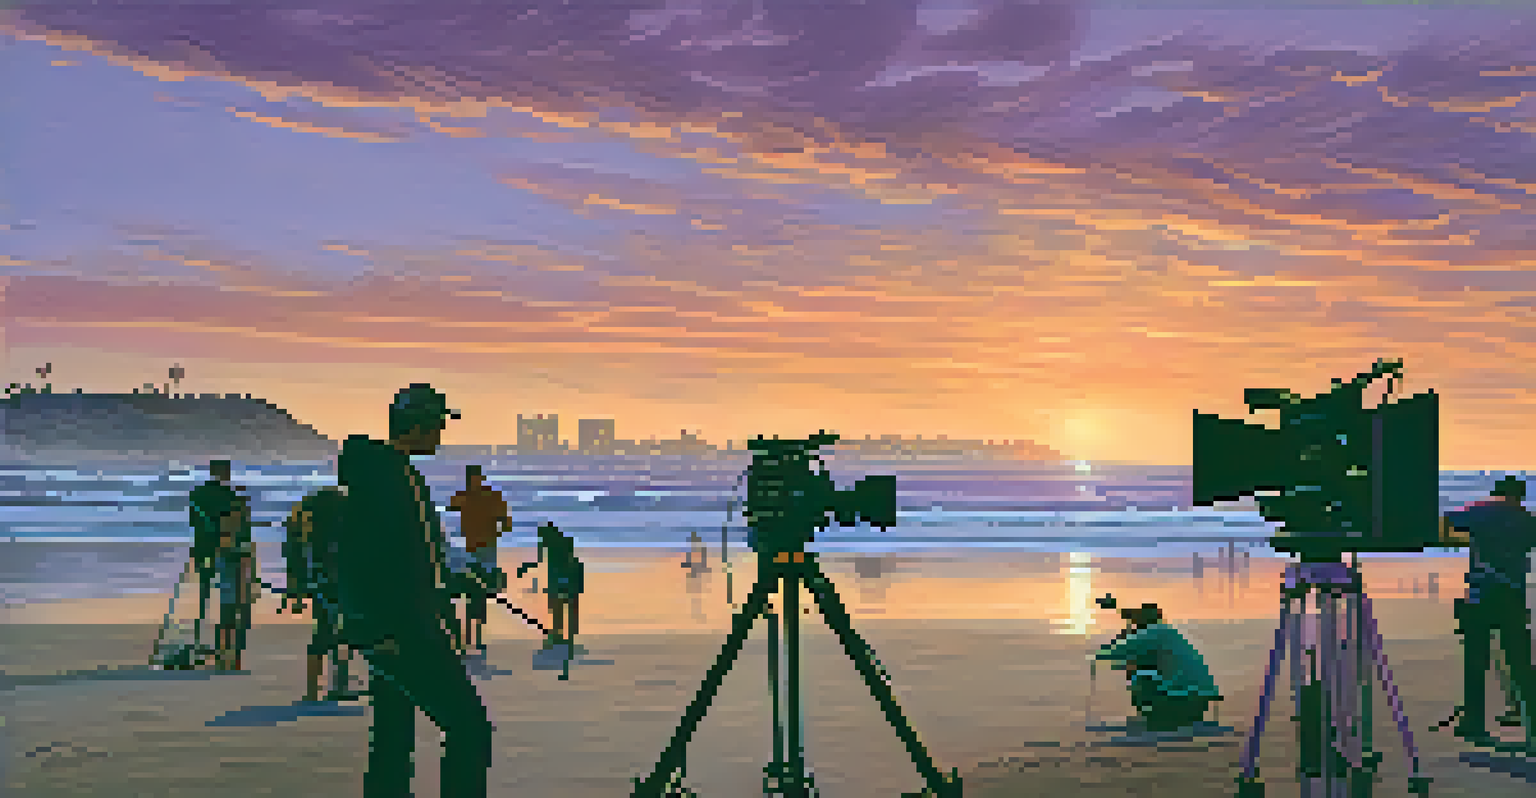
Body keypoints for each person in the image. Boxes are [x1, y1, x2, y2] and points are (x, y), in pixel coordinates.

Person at [331, 383, 493, 798]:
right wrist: (381, 627)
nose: (442, 432)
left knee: (392, 731)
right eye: (438, 423)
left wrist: (452, 580)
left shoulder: (390, 473)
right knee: (468, 725)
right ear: (417, 424)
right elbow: (366, 558)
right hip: (400, 627)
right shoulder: (390, 479)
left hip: (389, 622)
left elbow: (402, 553)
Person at [1440, 475, 1536, 745]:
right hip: (1512, 596)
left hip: (1481, 595)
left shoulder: (1480, 510)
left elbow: (1447, 520)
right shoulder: (1525, 518)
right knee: (1520, 664)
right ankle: (1533, 728)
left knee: (1475, 661)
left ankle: (1473, 723)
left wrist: (1453, 542)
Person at [1094, 603, 1222, 733]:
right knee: (1141, 665)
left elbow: (1112, 653)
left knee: (1140, 673)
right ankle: (1168, 715)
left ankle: (1157, 716)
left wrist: (1124, 635)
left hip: (1184, 698)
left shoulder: (1151, 634)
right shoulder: (1167, 633)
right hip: (1201, 699)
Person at [281, 485, 351, 702]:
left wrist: (296, 594)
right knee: (339, 633)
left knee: (323, 633)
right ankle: (339, 684)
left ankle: (315, 689)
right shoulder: (340, 528)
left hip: (320, 584)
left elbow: (295, 565)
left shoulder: (301, 531)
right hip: (340, 584)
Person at [188, 459, 255, 671]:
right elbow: (240, 529)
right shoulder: (233, 497)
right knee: (231, 604)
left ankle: (202, 641)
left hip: (203, 549)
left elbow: (194, 522)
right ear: (225, 472)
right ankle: (228, 653)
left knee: (205, 597)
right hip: (229, 553)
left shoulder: (197, 494)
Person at [447, 464, 511, 656]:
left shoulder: (488, 497)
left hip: (484, 548)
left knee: (478, 591)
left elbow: (505, 523)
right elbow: (452, 505)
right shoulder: (475, 496)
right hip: (472, 547)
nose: (472, 482)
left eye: (473, 478)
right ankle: (470, 635)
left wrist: (495, 532)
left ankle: (476, 636)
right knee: (472, 590)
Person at [517, 522, 583, 649]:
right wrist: (526, 567)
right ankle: (565, 636)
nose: (541, 541)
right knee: (564, 606)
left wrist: (525, 567)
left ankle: (561, 636)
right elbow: (540, 559)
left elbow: (541, 559)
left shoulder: (558, 543)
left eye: (542, 537)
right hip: (567, 576)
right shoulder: (562, 541)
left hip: (564, 576)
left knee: (561, 606)